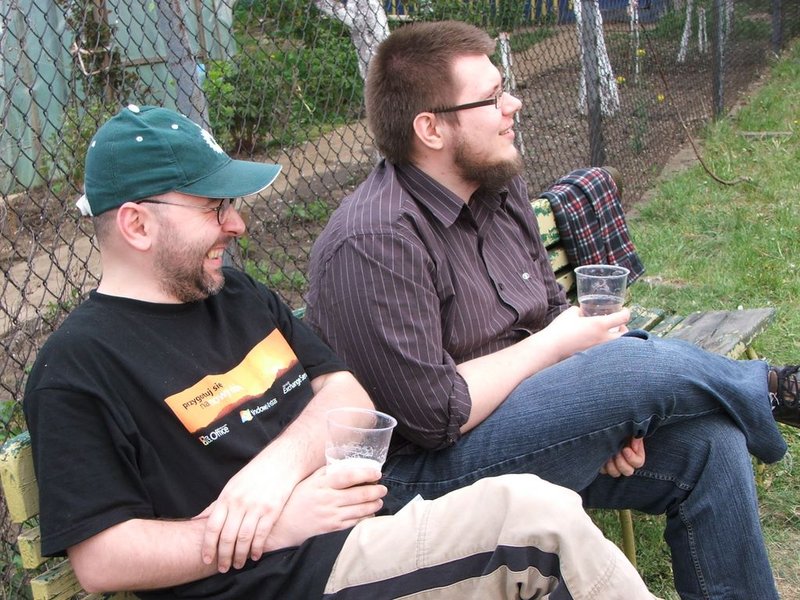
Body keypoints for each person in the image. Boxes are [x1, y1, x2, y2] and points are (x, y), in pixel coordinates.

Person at [22, 104, 657, 600]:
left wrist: (272, 474)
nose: (237, 224)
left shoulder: (235, 295)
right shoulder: (78, 368)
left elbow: (345, 390)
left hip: (360, 524)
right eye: (215, 208)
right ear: (137, 224)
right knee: (534, 522)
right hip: (281, 578)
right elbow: (103, 559)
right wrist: (276, 525)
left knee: (545, 504)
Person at [304, 20, 800, 600]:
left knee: (710, 442)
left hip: (521, 426)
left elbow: (548, 309)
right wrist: (562, 357)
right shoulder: (376, 241)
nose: (513, 104)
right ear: (430, 128)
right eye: (491, 97)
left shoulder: (497, 187)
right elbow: (436, 417)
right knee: (626, 365)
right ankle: (774, 389)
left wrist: (604, 417)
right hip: (420, 477)